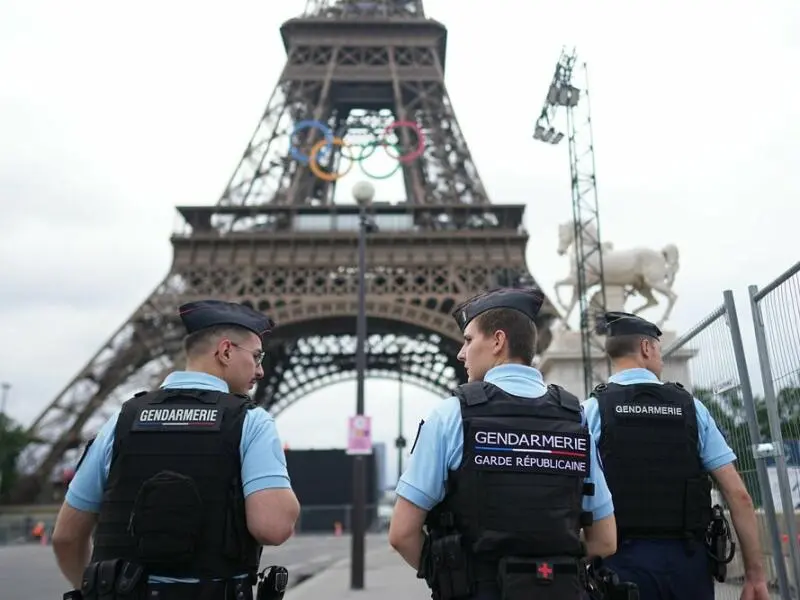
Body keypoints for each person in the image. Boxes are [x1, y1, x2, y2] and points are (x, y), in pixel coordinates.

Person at [51, 300, 300, 600]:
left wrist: (93, 589)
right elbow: (272, 527)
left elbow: (66, 537)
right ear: (225, 351)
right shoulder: (250, 421)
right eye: (257, 357)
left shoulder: (123, 420)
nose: (260, 370)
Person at [388, 288, 618, 600]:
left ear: (498, 341)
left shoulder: (451, 415)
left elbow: (402, 533)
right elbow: (605, 541)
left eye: (469, 340)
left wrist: (451, 579)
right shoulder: (575, 418)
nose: (461, 352)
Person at [583, 311, 771, 600]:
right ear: (646, 348)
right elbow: (739, 496)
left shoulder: (592, 411)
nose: (661, 358)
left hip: (619, 562)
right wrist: (756, 576)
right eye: (659, 350)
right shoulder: (692, 409)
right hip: (687, 562)